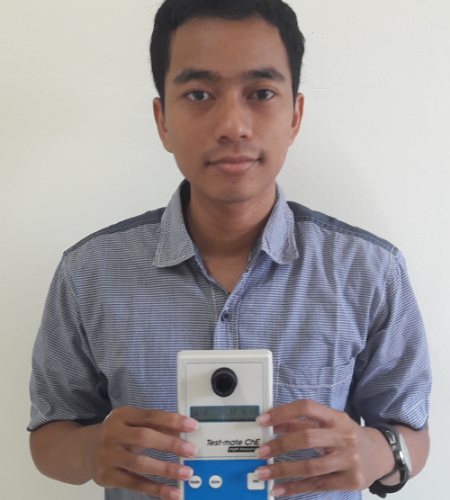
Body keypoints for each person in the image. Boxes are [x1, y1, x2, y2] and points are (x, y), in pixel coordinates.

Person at [29, 1, 431, 499]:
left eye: (261, 93)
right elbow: (49, 434)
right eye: (199, 94)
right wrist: (89, 450)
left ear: (295, 115)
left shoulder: (370, 271)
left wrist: (380, 454)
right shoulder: (88, 274)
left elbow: (412, 431)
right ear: (162, 120)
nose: (233, 125)